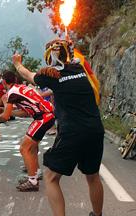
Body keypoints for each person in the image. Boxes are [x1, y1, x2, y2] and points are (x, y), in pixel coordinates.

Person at [12, 39, 104, 216]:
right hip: (95, 129)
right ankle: (97, 214)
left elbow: (28, 75)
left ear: (49, 56)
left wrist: (17, 63)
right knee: (93, 176)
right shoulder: (79, 69)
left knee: (51, 177)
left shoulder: (51, 75)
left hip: (72, 132)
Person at [0, 71, 55, 192]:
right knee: (31, 146)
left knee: (24, 148)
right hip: (47, 115)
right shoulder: (21, 88)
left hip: (43, 117)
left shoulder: (11, 93)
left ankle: (32, 181)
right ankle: (35, 173)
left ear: (4, 82)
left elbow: (5, 117)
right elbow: (25, 112)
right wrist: (7, 110)